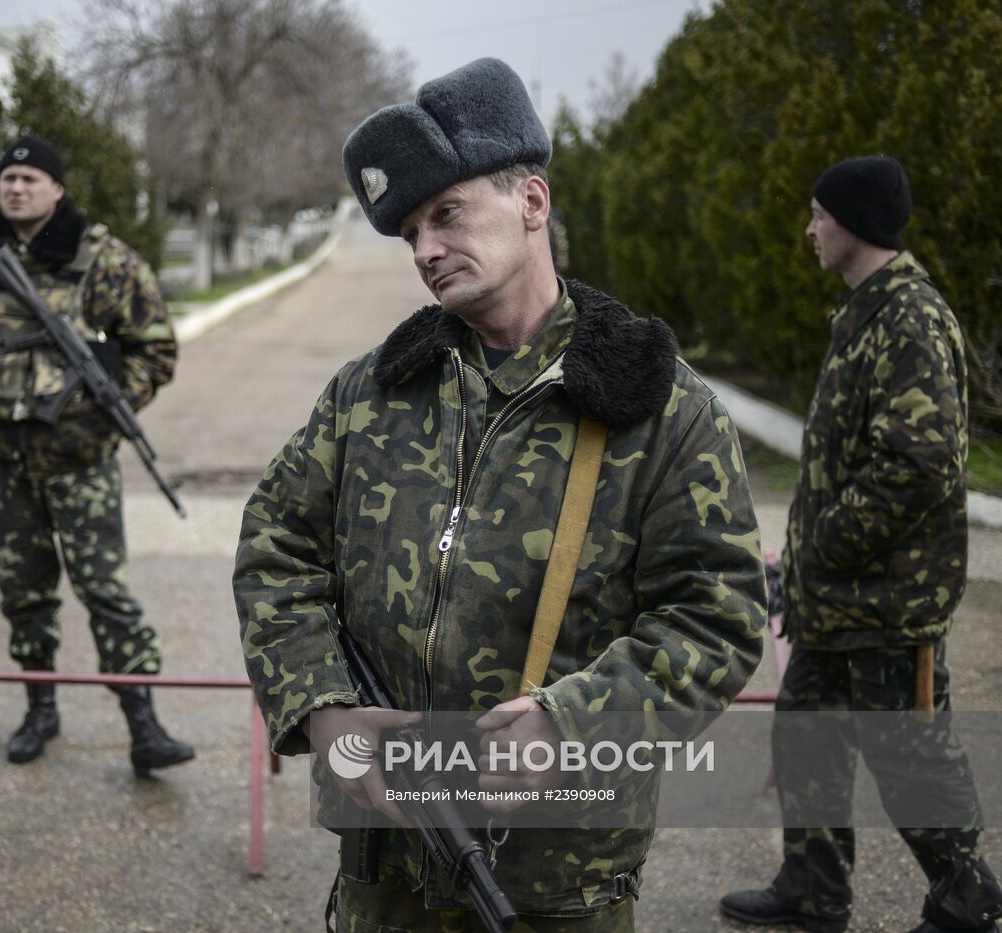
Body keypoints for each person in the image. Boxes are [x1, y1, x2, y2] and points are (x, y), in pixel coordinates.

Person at [232, 58, 767, 932]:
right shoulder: (369, 394)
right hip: (384, 868)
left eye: (447, 213)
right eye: (410, 231)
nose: (427, 250)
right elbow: (274, 551)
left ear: (533, 202)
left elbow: (718, 615)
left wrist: (570, 723)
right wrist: (324, 711)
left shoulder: (659, 406)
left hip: (556, 881)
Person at [720, 157, 1002, 933]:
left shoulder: (908, 318)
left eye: (818, 216)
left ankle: (966, 898)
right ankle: (813, 890)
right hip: (836, 599)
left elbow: (919, 466)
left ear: (850, 224)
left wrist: (828, 548)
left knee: (910, 756)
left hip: (887, 600)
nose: (810, 230)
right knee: (806, 737)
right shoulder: (864, 311)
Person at [0, 136, 193, 773]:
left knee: (106, 594)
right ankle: (39, 710)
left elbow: (155, 348)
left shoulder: (104, 262)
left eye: (30, 178)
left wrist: (101, 405)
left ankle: (143, 724)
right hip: (4, 467)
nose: (15, 188)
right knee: (24, 595)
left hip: (80, 465)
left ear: (57, 188)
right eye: (7, 177)